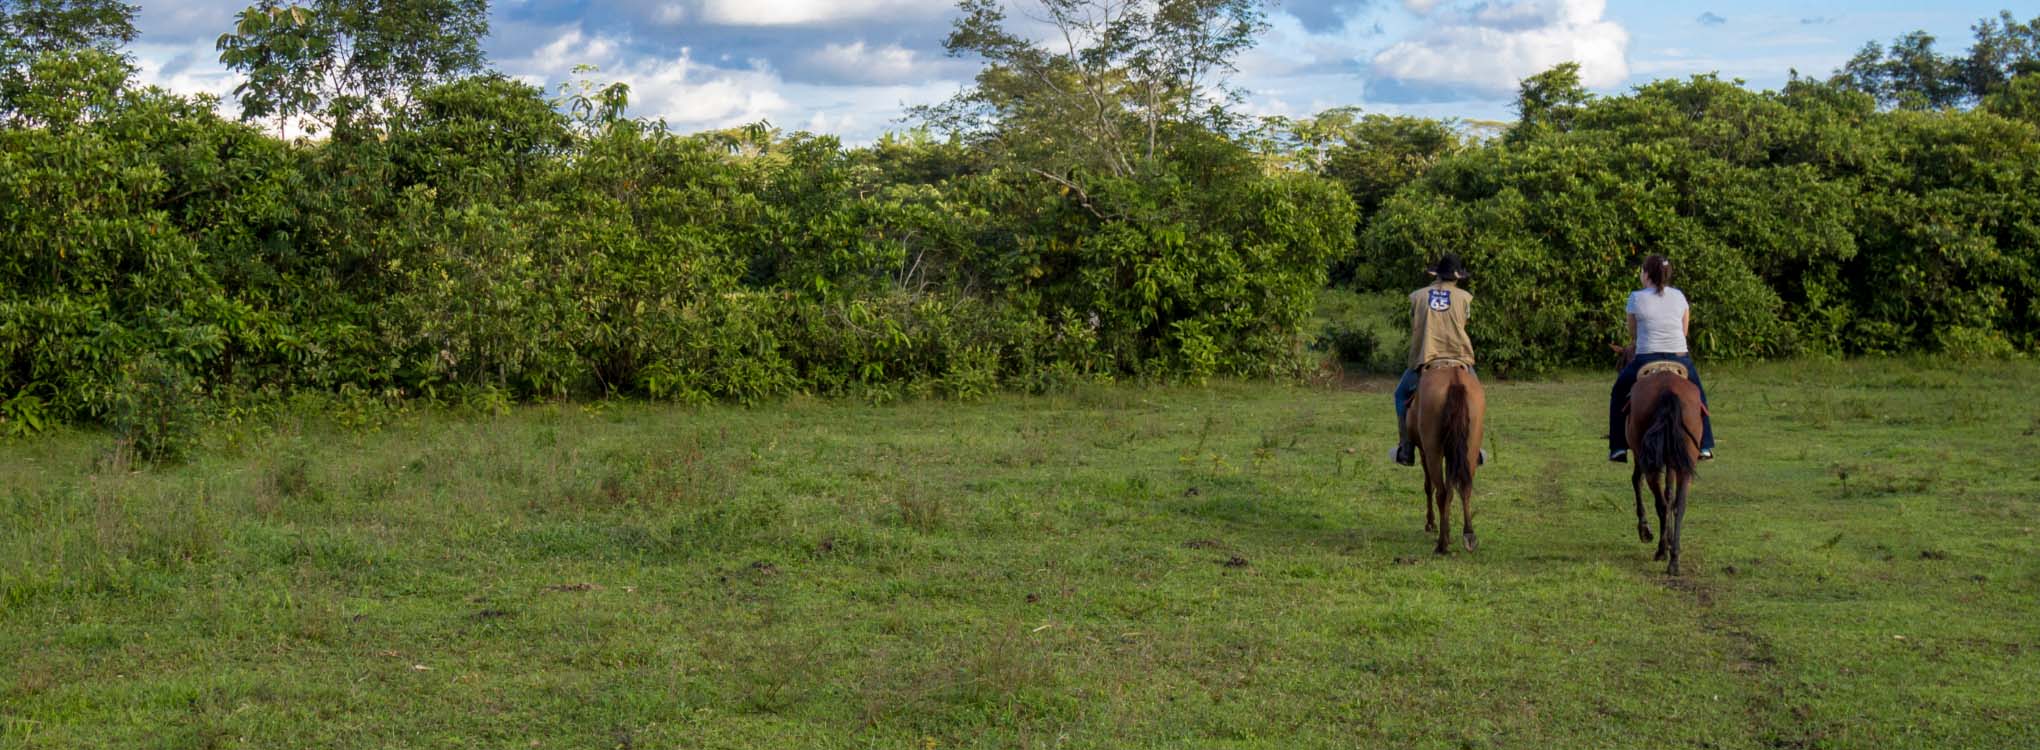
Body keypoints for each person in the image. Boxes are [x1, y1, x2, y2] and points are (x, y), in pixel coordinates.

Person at [1608, 254, 1715, 462]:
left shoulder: (1636, 297)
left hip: (1646, 357)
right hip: (1679, 357)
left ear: (1646, 274)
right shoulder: (1679, 296)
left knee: (1618, 392)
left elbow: (1633, 333)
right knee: (1699, 394)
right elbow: (1684, 331)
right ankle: (1705, 445)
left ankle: (1618, 446)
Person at [1392, 254, 1480, 467]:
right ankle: (1475, 449)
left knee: (1401, 394)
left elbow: (1416, 325)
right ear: (1457, 277)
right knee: (1476, 397)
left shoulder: (1417, 296)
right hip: (1459, 359)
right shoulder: (1465, 298)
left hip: (1427, 358)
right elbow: (1463, 324)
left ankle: (1406, 447)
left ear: (1437, 274)